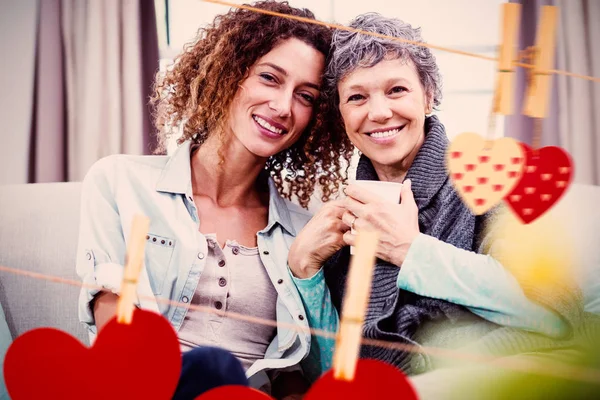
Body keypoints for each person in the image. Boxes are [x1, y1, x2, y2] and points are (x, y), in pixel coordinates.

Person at [75, 2, 353, 399]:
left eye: (305, 96)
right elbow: (111, 326)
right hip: (145, 386)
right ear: (231, 71)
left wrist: (305, 269)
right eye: (270, 78)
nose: (283, 107)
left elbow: (310, 374)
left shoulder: (302, 229)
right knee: (212, 366)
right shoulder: (120, 181)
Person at [287, 12, 583, 382]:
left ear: (428, 97)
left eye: (397, 90)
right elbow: (336, 374)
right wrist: (305, 273)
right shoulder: (343, 220)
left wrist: (410, 250)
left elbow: (555, 310)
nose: (379, 112)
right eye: (357, 97)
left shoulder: (493, 177)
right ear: (341, 115)